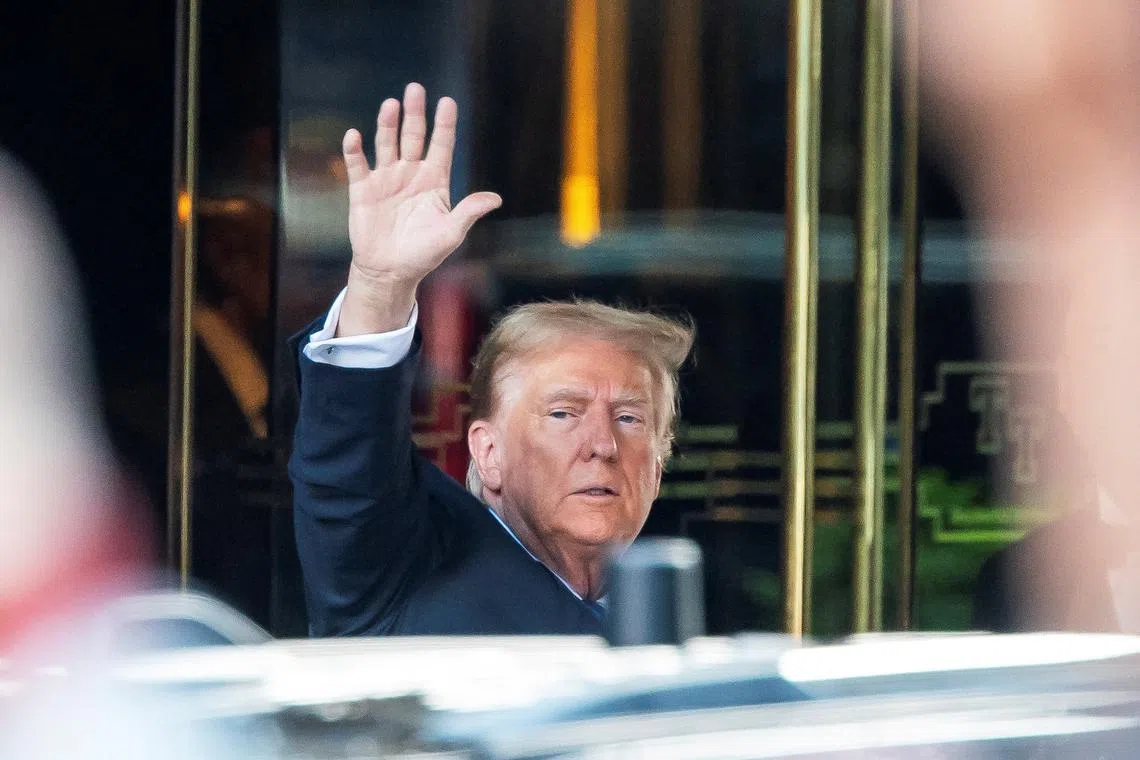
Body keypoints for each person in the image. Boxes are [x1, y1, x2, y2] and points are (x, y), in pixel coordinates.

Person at [289, 83, 695, 636]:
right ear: (488, 452)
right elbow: (348, 472)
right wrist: (381, 285)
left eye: (629, 418)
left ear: (659, 464)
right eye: (564, 413)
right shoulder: (405, 568)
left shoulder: (674, 618)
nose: (602, 445)